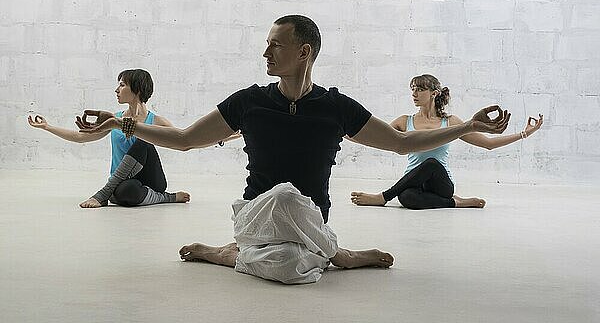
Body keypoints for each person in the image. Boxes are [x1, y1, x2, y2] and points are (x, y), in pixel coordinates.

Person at [78, 15, 511, 284]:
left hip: (310, 219)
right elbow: (187, 139)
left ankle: (234, 255)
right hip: (257, 212)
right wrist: (122, 122)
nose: (265, 52)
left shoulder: (336, 107)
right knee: (283, 200)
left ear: (304, 52)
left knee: (289, 264)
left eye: (275, 45)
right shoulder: (249, 101)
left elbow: (400, 144)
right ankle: (329, 253)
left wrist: (467, 126)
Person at [351, 74, 543, 210]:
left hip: (440, 184)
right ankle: (457, 202)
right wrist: (343, 130)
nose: (414, 93)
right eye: (413, 89)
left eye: (420, 89)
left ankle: (382, 197)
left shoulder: (451, 122)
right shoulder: (404, 121)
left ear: (434, 93)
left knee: (431, 163)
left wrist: (524, 134)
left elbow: (488, 144)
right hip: (412, 183)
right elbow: (377, 137)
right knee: (406, 198)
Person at [28, 69, 192, 208]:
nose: (116, 90)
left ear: (138, 90)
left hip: (152, 181)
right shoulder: (115, 120)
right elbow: (79, 137)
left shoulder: (157, 121)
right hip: (122, 183)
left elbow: (182, 139)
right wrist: (47, 127)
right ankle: (150, 195)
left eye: (122, 85)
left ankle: (104, 194)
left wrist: (216, 137)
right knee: (128, 193)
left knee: (143, 139)